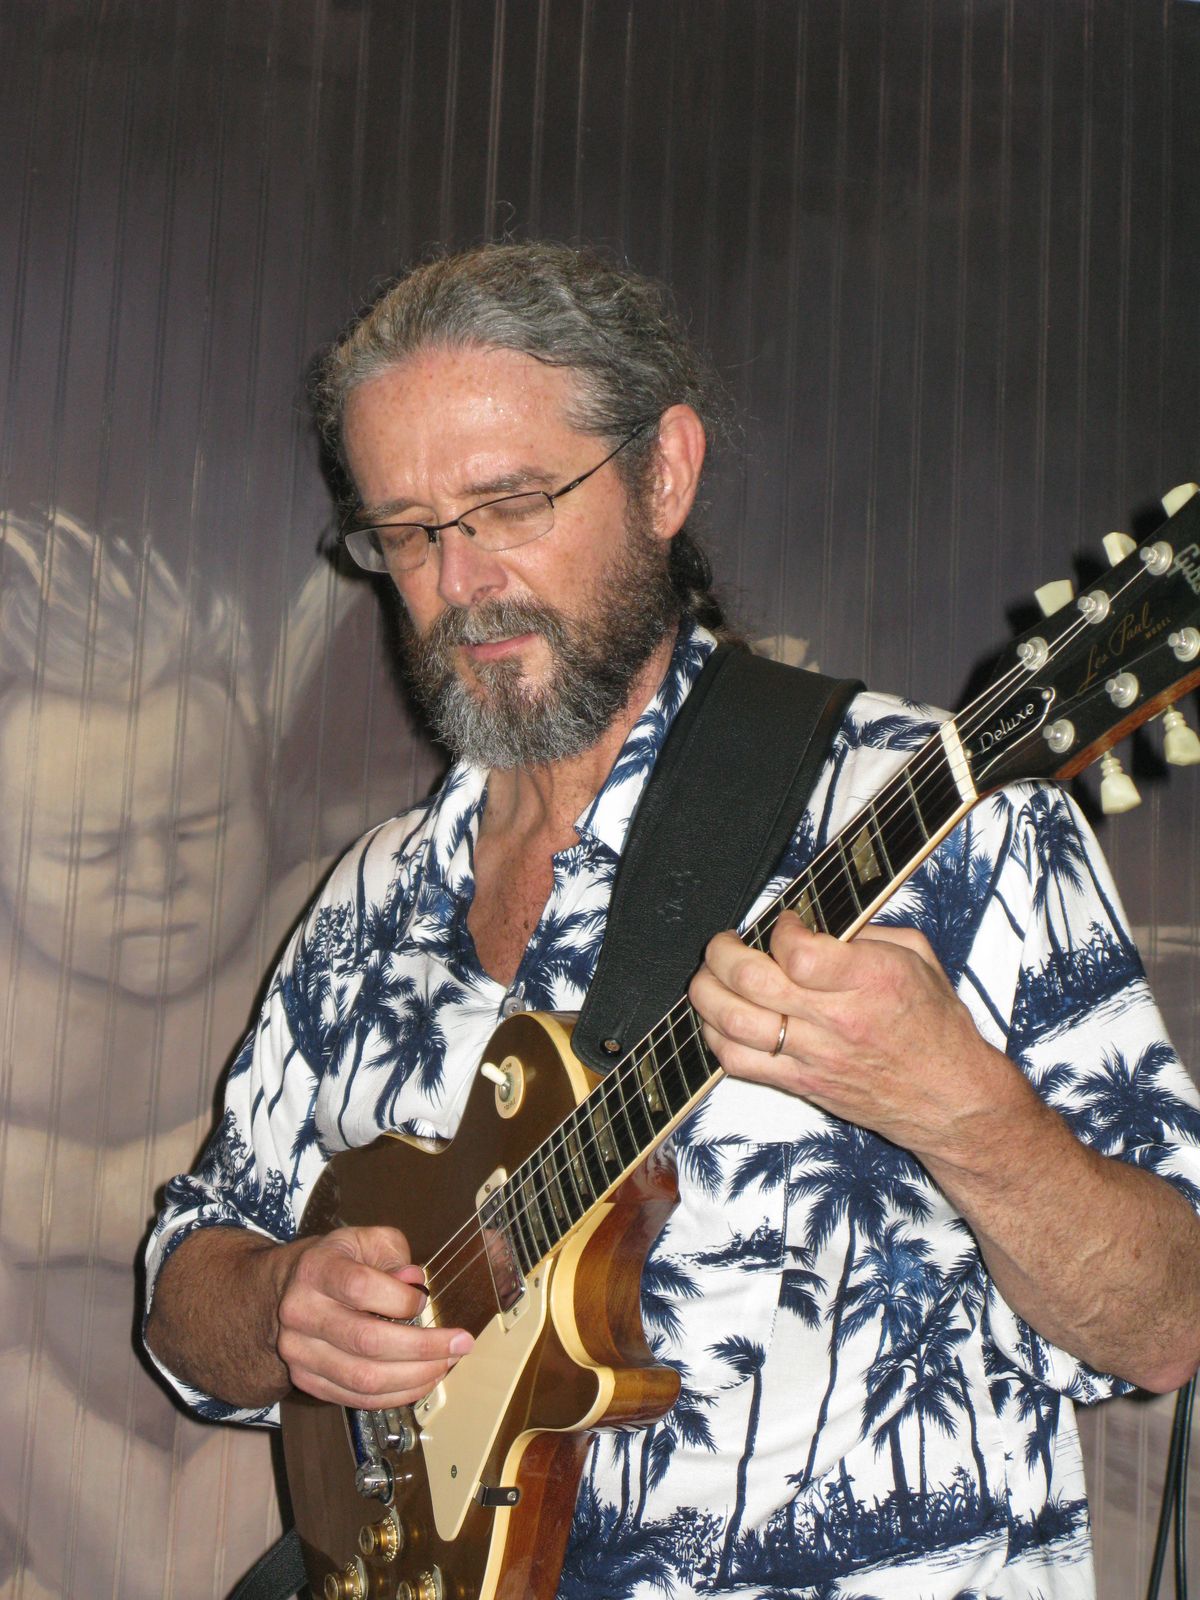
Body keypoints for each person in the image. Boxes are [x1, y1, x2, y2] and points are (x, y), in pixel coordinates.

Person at [144, 242, 1200, 1600]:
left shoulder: (946, 825)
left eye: (509, 503)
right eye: (405, 531)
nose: (459, 579)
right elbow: (187, 1284)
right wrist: (281, 1303)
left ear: (664, 474)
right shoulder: (368, 901)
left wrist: (964, 1112)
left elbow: (1165, 1323)